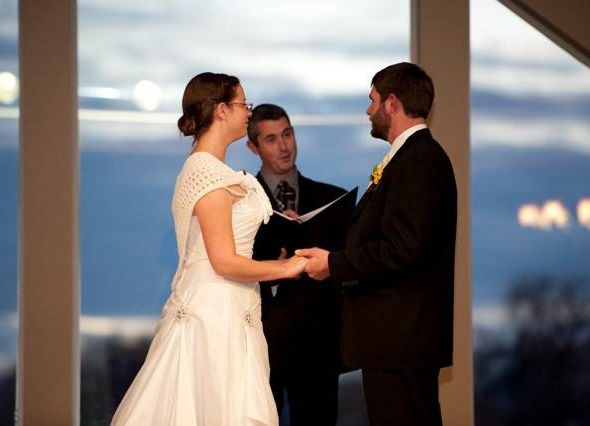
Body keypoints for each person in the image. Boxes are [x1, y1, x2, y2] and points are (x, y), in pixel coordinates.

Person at [111, 72, 308, 426]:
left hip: (232, 308)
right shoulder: (206, 172)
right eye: (242, 104)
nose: (248, 112)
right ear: (221, 110)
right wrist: (287, 268)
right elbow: (224, 262)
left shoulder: (214, 170)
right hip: (212, 314)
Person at [297, 62, 457, 426]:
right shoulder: (408, 158)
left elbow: (403, 249)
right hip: (395, 341)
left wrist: (333, 265)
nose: (368, 110)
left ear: (392, 103)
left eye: (372, 101)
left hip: (401, 341)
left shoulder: (419, 160)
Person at [246, 104, 347, 425]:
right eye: (272, 139)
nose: (284, 146)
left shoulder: (333, 199)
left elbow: (346, 270)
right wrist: (272, 269)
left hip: (318, 345)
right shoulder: (238, 203)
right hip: (257, 343)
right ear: (253, 147)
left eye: (287, 134)